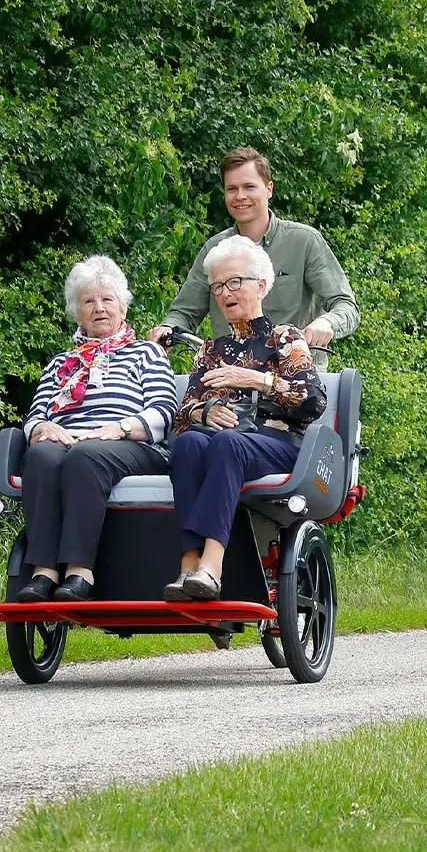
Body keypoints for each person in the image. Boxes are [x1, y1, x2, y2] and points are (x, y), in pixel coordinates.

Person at [163, 235, 327, 601]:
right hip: (225, 446)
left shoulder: (285, 338)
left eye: (235, 282)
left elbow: (313, 400)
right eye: (218, 286)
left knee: (226, 443)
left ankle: (212, 566)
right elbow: (181, 417)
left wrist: (257, 380)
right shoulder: (210, 349)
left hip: (279, 444)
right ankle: (189, 563)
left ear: (263, 285)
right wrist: (206, 411)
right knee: (190, 442)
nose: (225, 293)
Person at [17, 255, 178, 603]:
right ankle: (43, 572)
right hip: (69, 441)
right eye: (89, 301)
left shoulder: (146, 354)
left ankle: (79, 571)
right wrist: (43, 428)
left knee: (87, 455)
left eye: (107, 300)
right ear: (78, 313)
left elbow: (164, 412)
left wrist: (118, 428)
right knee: (42, 455)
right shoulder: (62, 363)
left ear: (122, 306)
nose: (99, 308)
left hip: (131, 445)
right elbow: (35, 417)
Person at [148, 146, 359, 369]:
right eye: (232, 189)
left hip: (293, 378)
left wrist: (326, 322)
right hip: (229, 378)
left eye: (249, 187)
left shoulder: (304, 241)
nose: (240, 196)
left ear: (269, 189)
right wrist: (167, 329)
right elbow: (184, 312)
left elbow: (346, 306)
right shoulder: (215, 250)